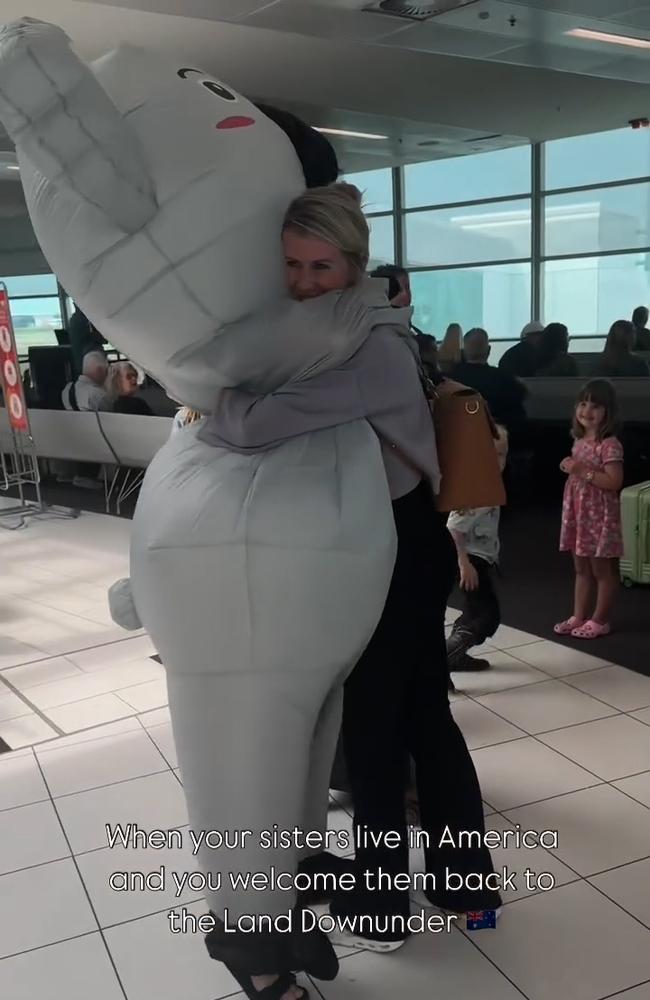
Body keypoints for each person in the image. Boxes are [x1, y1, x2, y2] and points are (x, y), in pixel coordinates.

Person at [207, 183, 502, 951]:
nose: (303, 281)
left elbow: (247, 423)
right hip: (400, 538)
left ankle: (379, 912)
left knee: (377, 724)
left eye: (320, 266)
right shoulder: (374, 319)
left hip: (391, 547)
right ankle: (465, 890)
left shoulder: (366, 347)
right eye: (292, 265)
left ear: (353, 263)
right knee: (421, 714)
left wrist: (216, 401)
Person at [555, 379, 624, 640]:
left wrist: (581, 471)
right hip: (579, 515)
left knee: (602, 569)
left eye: (595, 406)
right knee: (581, 567)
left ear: (608, 411)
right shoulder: (580, 439)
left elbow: (613, 481)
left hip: (599, 516)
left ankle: (600, 619)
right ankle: (578, 614)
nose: (587, 411)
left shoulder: (610, 444)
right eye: (583, 404)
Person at [446, 427, 508, 674]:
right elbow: (453, 527)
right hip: (471, 561)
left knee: (473, 610)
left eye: (502, 454)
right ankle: (446, 656)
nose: (497, 460)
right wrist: (464, 563)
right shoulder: (481, 489)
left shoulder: (485, 483)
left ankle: (456, 655)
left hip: (475, 558)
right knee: (486, 616)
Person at [452, 328, 527, 445]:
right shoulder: (504, 378)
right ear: (489, 350)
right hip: (497, 442)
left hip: (459, 441)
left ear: (464, 351)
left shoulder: (450, 380)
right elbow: (522, 397)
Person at [67, 303, 107, 379]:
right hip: (90, 358)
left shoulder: (74, 319)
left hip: (81, 359)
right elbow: (96, 338)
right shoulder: (83, 320)